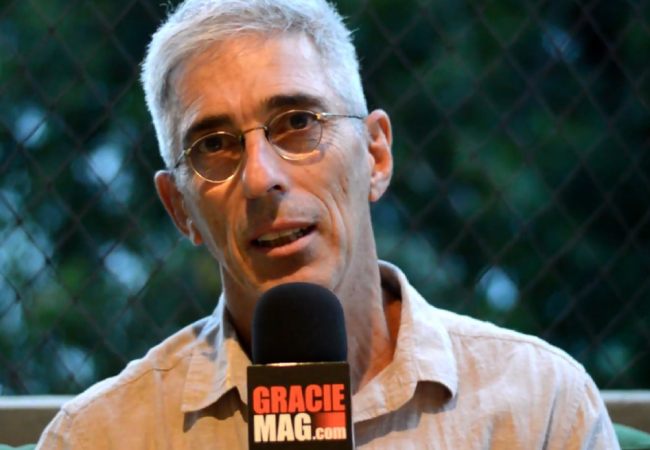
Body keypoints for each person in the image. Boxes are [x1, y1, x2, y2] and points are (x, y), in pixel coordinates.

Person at [37, 0, 620, 448]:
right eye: (213, 145)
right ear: (180, 208)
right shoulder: (100, 437)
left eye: (297, 122)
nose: (260, 177)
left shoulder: (541, 407)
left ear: (376, 156)